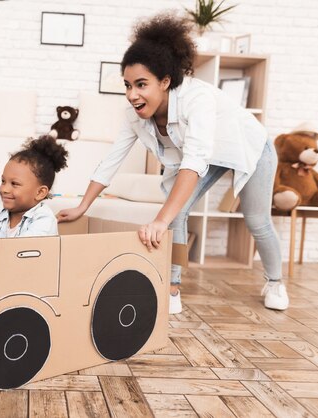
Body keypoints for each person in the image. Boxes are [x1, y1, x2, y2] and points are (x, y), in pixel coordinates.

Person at [57, 12, 288, 314]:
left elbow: (194, 162)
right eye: (127, 85)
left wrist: (160, 220)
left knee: (256, 220)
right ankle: (172, 289)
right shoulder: (134, 115)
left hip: (247, 146)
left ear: (165, 81)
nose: (132, 95)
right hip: (203, 153)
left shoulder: (197, 100)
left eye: (141, 84)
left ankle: (275, 282)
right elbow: (112, 160)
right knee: (175, 210)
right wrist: (82, 206)